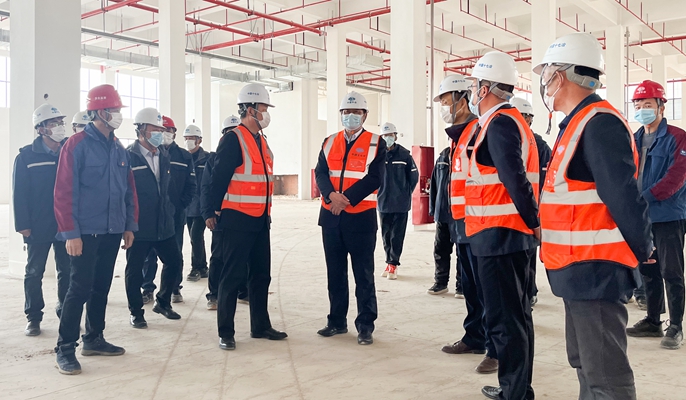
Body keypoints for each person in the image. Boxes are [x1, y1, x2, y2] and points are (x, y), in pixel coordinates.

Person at [534, 33, 653, 399]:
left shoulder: (599, 123)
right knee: (586, 364)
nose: (545, 82)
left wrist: (643, 247)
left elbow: (623, 194)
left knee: (605, 376)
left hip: (596, 270)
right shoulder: (576, 122)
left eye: (548, 73)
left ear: (561, 75)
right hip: (576, 269)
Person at [464, 52, 539, 399]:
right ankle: (517, 387)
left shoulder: (499, 123)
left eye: (475, 86)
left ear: (484, 89)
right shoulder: (508, 121)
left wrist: (534, 221)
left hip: (499, 235)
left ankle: (514, 392)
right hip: (506, 234)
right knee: (516, 317)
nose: (472, 94)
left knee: (505, 320)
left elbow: (514, 178)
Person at [53, 84, 138, 375]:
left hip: (112, 231)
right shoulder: (76, 145)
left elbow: (128, 191)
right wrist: (70, 232)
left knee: (101, 286)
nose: (118, 115)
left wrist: (129, 226)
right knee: (78, 288)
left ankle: (94, 338)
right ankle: (65, 348)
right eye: (113, 110)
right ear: (99, 112)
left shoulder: (119, 148)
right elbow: (64, 191)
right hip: (85, 232)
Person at [209, 83, 287, 351]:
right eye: (264, 108)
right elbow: (218, 178)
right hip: (237, 219)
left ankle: (260, 326)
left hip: (261, 219)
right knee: (232, 277)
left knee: (261, 275)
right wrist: (211, 211)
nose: (266, 113)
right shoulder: (234, 138)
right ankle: (226, 332)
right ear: (251, 110)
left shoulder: (261, 140)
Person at [434, 74, 498, 375]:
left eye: (446, 101)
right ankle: (474, 337)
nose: (444, 108)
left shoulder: (479, 131)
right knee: (471, 288)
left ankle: (496, 350)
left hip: (481, 224)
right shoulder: (458, 136)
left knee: (489, 291)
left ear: (462, 100)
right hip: (462, 225)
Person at [314, 91, 386, 345]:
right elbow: (321, 173)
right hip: (331, 218)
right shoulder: (329, 141)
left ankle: (365, 325)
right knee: (335, 273)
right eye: (346, 112)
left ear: (365, 115)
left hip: (360, 218)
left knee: (363, 274)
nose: (350, 116)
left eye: (356, 112)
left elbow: (375, 178)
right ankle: (336, 321)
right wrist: (331, 195)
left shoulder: (376, 143)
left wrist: (346, 199)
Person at [626, 80, 686, 350]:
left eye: (647, 104)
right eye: (638, 105)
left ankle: (676, 326)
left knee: (671, 271)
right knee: (648, 269)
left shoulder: (677, 137)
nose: (642, 109)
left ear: (661, 106)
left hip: (668, 215)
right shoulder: (633, 138)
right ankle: (653, 320)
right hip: (642, 216)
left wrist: (644, 198)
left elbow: (677, 177)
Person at [13, 103, 71, 337]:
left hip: (65, 224)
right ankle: (34, 317)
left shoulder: (69, 152)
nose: (59, 127)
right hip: (37, 225)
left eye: (60, 123)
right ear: (41, 129)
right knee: (34, 271)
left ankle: (65, 311)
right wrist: (23, 225)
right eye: (53, 123)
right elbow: (19, 194)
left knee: (67, 271)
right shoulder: (26, 156)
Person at [124, 108, 183, 329]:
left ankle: (163, 302)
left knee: (174, 262)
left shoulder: (163, 155)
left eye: (161, 128)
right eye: (155, 128)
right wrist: (127, 225)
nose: (160, 132)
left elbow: (167, 189)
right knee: (135, 271)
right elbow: (124, 193)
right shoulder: (128, 156)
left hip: (163, 223)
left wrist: (171, 211)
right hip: (139, 226)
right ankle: (136, 313)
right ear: (141, 129)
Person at [141, 116, 195, 304]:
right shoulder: (148, 154)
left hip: (175, 216)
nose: (164, 134)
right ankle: (147, 288)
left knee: (175, 254)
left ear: (174, 133)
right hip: (150, 216)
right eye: (161, 130)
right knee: (149, 256)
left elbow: (191, 185)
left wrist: (179, 206)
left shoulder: (183, 156)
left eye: (168, 130)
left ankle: (174, 288)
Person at [202, 116, 247, 310]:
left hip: (243, 216)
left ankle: (243, 291)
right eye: (229, 132)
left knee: (243, 256)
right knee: (219, 256)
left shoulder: (249, 158)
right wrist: (208, 213)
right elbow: (206, 188)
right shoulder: (213, 159)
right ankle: (214, 295)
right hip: (221, 217)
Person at [510, 97, 552, 308]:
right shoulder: (505, 141)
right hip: (509, 211)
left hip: (532, 208)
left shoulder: (540, 146)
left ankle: (529, 292)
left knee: (528, 252)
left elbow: (547, 180)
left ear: (529, 119)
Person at [377, 122, 419, 280]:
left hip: (400, 202)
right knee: (386, 235)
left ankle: (393, 264)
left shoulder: (404, 155)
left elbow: (413, 177)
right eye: (385, 135)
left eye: (390, 135)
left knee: (397, 235)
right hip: (383, 201)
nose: (388, 138)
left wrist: (405, 192)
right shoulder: (377, 155)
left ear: (395, 136)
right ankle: (388, 262)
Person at [428, 144, 462, 297]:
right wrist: (433, 209)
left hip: (461, 214)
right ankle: (440, 282)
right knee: (440, 250)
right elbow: (434, 183)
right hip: (442, 212)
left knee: (462, 252)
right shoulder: (442, 156)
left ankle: (462, 286)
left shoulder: (467, 155)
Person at [184, 124, 211, 281]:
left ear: (199, 140)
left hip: (202, 205)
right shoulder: (184, 158)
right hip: (188, 206)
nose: (188, 141)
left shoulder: (207, 158)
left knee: (196, 235)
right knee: (195, 238)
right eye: (186, 138)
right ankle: (202, 267)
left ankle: (196, 268)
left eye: (192, 138)